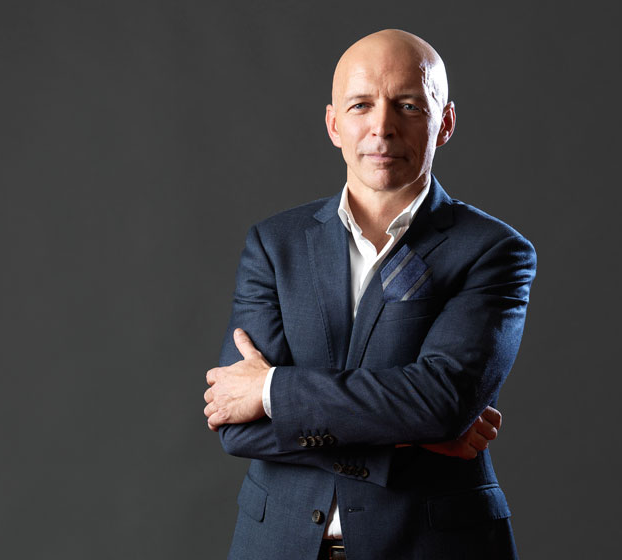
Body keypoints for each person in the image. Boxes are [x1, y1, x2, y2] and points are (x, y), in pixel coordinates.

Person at [203, 29, 536, 560]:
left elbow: (440, 403)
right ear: (334, 124)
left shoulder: (494, 251)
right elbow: (236, 427)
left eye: (408, 105)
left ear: (445, 122)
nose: (382, 127)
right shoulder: (274, 243)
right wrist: (412, 434)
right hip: (277, 544)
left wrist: (271, 391)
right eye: (361, 105)